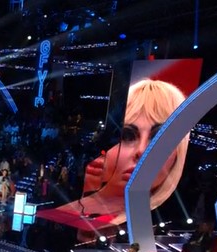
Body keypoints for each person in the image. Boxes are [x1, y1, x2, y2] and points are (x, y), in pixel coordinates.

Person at [47, 79, 189, 227]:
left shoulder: (167, 223)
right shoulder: (65, 212)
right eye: (128, 136)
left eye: (160, 140)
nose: (141, 151)